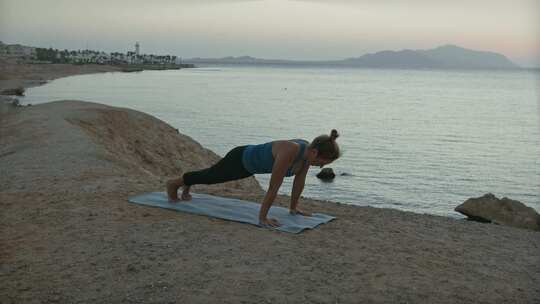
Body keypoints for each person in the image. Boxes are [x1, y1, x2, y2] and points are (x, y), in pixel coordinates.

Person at [166, 129, 341, 227]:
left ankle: (187, 184)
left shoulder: (306, 157)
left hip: (248, 168)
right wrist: (263, 218)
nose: (320, 166)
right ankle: (174, 184)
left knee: (209, 176)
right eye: (322, 162)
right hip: (239, 158)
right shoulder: (291, 150)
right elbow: (274, 187)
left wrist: (293, 208)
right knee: (210, 177)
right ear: (315, 152)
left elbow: (298, 183)